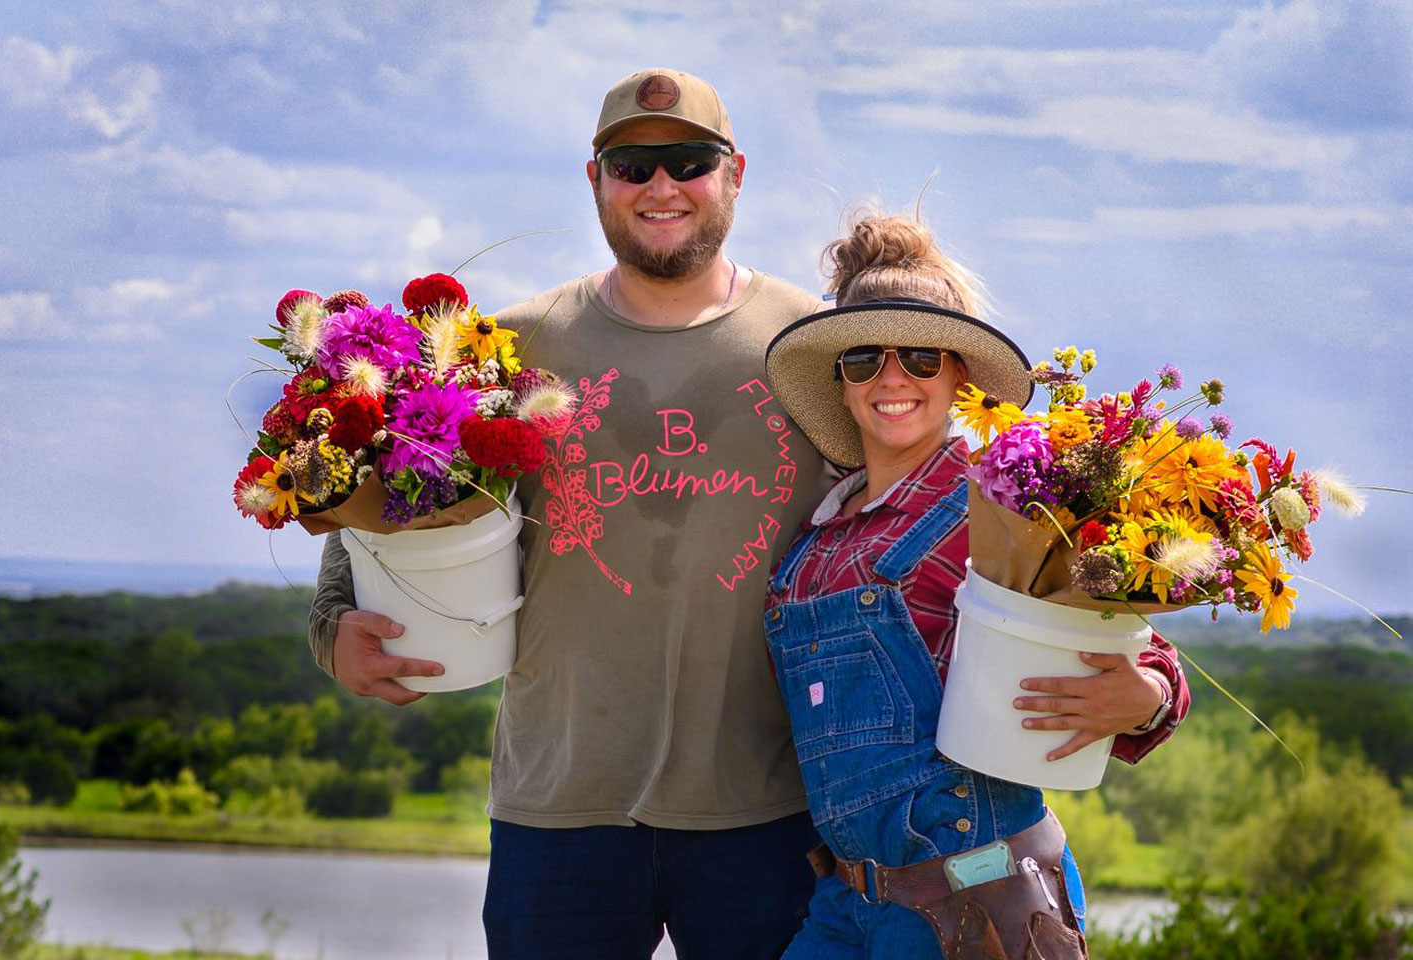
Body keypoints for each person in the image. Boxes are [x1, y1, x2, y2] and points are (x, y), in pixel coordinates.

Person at [310, 68, 835, 959]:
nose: (660, 186)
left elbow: (911, 515)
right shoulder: (517, 344)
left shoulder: (814, 343)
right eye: (633, 164)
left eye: (688, 161)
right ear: (594, 177)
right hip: (559, 806)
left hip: (769, 808)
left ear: (735, 172)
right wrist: (333, 625)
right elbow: (389, 486)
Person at [759, 214, 1188, 958]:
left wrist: (1146, 697)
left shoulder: (1003, 509)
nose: (892, 377)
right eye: (864, 357)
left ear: (959, 372)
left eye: (921, 356)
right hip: (845, 906)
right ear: (841, 380)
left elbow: (1133, 639)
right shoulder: (814, 539)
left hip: (980, 904)